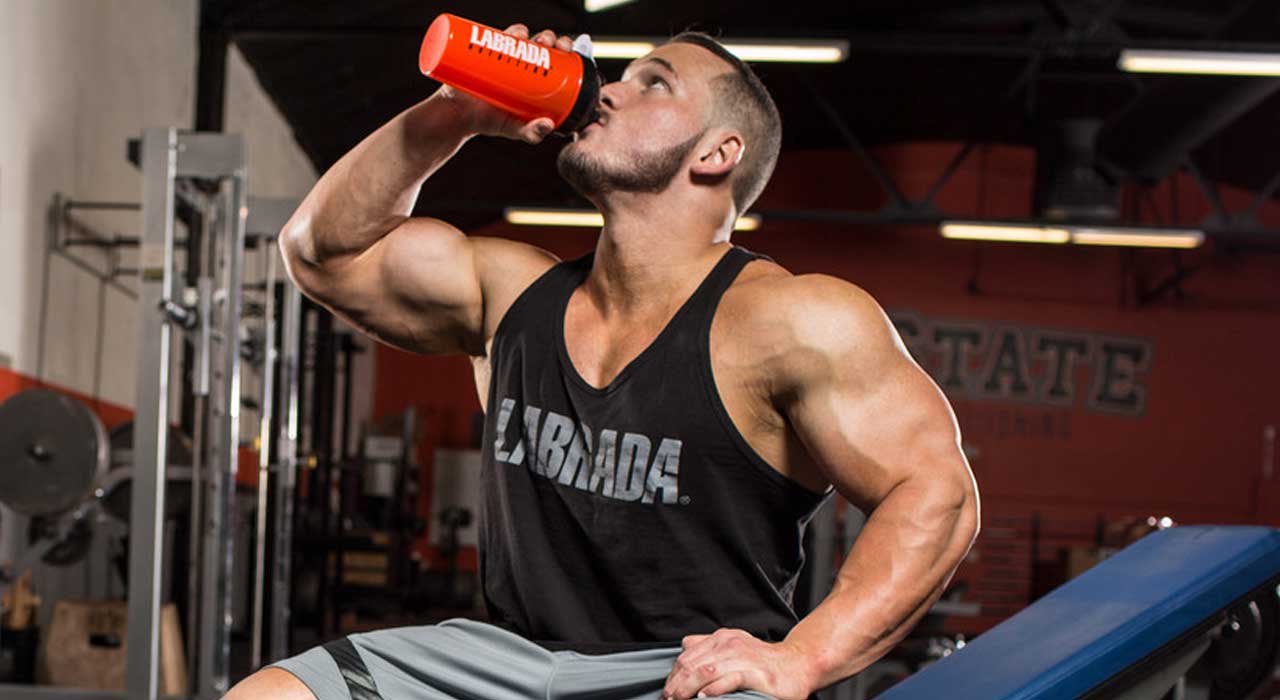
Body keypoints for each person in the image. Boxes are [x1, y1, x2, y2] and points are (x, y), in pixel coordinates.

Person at [226, 22, 979, 700]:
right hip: (504, 661)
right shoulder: (509, 293)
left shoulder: (793, 319)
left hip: (686, 674)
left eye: (654, 82)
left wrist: (803, 658)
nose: (610, 90)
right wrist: (453, 115)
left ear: (719, 153)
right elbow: (324, 253)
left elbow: (936, 492)